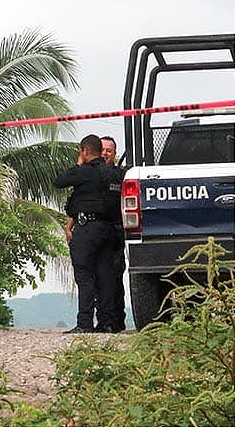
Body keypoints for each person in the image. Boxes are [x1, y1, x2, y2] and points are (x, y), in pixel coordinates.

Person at [54, 135, 119, 333]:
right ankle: (107, 323)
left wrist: (78, 164)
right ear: (101, 151)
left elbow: (60, 181)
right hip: (110, 230)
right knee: (106, 276)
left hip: (87, 229)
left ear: (84, 151)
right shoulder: (115, 174)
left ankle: (85, 323)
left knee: (85, 276)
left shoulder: (84, 172)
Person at [101, 136, 126, 333]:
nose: (105, 153)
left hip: (117, 231)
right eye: (102, 149)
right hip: (96, 231)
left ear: (115, 153)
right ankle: (102, 321)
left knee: (115, 276)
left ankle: (117, 321)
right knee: (97, 278)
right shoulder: (89, 175)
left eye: (109, 150)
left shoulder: (122, 175)